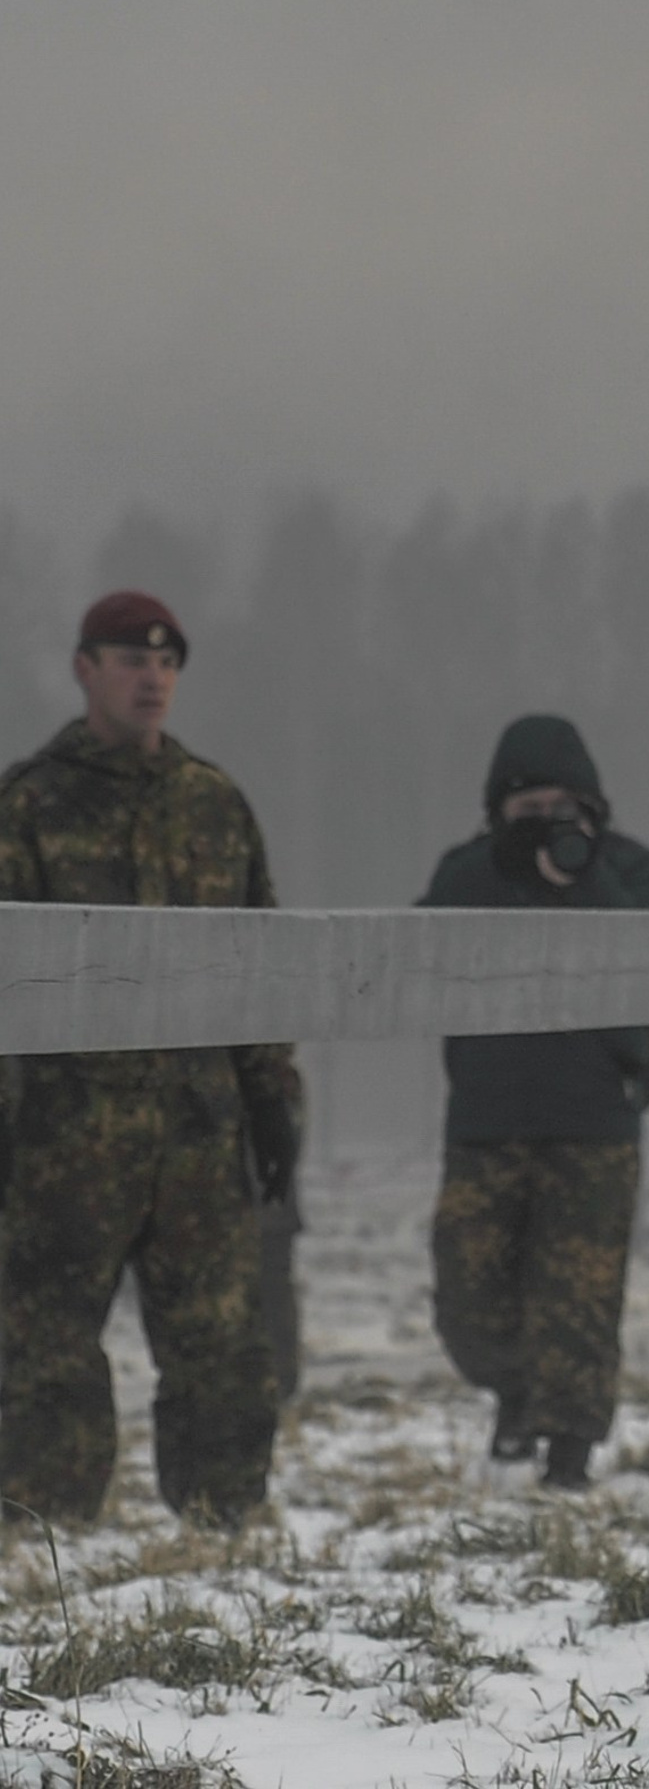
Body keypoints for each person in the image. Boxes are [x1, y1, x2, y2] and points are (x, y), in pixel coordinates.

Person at [0, 591, 300, 1527]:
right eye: (131, 660)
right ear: (86, 668)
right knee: (43, 1349)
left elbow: (262, 966)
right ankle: (46, 1537)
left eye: (166, 664)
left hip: (199, 1139)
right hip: (63, 1145)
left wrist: (273, 1105)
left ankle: (222, 1533)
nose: (152, 678)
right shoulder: (30, 804)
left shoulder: (214, 804)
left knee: (221, 1349)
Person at [425, 714, 649, 1492]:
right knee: (467, 1302)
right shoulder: (467, 872)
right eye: (525, 811)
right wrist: (501, 866)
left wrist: (582, 871)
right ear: (497, 812)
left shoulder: (630, 870)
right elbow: (423, 947)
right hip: (486, 1119)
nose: (543, 827)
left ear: (593, 807)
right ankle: (513, 1390)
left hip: (592, 1122)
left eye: (560, 809)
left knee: (579, 1299)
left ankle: (568, 1453)